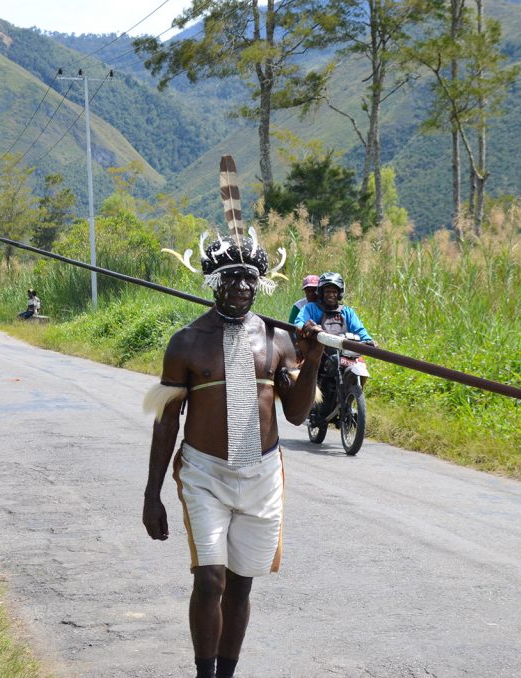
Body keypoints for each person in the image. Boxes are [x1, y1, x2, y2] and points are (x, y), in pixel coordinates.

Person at [142, 235, 324, 678]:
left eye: (249, 277)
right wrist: (152, 494)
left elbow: (298, 416)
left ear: (259, 283)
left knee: (240, 585)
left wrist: (313, 354)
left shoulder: (277, 339)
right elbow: (166, 424)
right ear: (213, 282)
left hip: (262, 473)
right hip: (204, 472)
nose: (241, 285)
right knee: (210, 579)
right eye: (231, 276)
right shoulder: (186, 343)